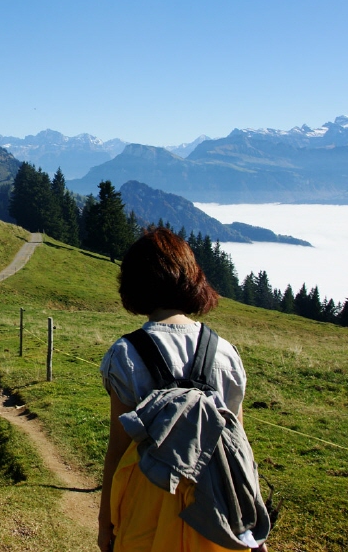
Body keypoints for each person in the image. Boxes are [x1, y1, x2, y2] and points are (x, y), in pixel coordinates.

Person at [98, 227, 267, 552]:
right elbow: (239, 446)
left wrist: (106, 521)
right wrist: (253, 525)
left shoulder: (125, 355)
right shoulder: (225, 353)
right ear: (191, 278)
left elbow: (118, 450)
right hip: (218, 513)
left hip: (145, 513)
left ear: (133, 284)